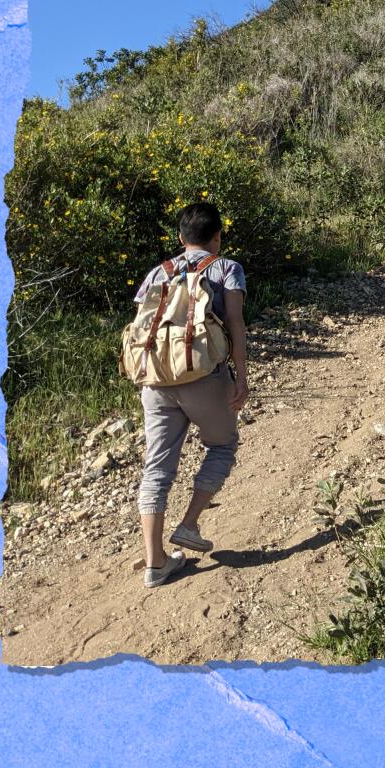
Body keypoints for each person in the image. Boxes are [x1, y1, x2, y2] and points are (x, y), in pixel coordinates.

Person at [133, 202, 249, 587]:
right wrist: (241, 378)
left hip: (156, 379)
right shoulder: (226, 268)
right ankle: (189, 524)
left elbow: (143, 324)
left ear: (181, 238)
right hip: (203, 376)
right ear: (217, 237)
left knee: (157, 467)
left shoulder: (157, 272)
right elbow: (234, 322)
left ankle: (155, 563)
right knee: (223, 445)